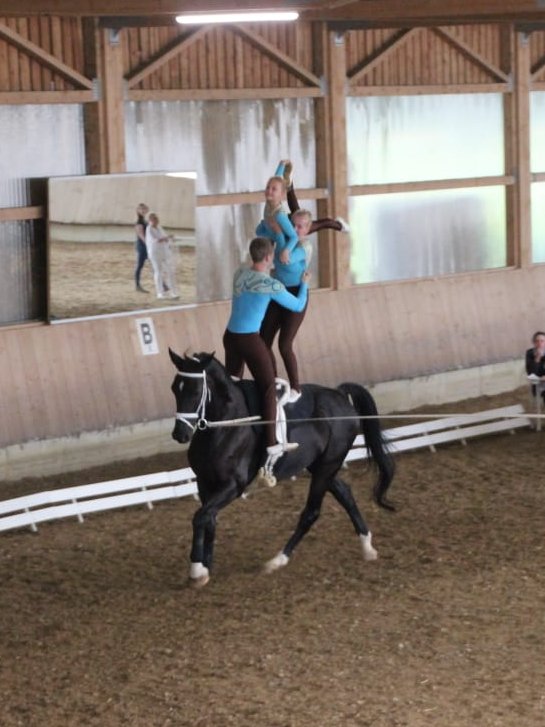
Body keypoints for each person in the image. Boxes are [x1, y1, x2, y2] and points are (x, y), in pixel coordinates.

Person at [223, 236, 310, 464]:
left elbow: (253, 284)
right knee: (268, 387)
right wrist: (305, 284)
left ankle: (225, 429)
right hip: (249, 340)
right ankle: (271, 442)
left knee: (232, 383)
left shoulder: (239, 273)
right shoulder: (271, 285)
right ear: (270, 257)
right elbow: (298, 305)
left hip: (230, 337)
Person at [259, 208, 313, 403]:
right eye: (294, 225)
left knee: (284, 344)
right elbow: (260, 230)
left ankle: (296, 388)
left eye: (300, 227)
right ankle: (272, 382)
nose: (296, 229)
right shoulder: (284, 237)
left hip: (297, 293)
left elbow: (285, 257)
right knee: (263, 340)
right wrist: (270, 222)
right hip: (278, 292)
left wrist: (280, 232)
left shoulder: (305, 246)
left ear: (307, 229)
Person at [278, 159, 350, 235]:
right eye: (296, 226)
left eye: (298, 226)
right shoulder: (297, 223)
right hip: (293, 221)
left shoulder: (301, 228)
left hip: (295, 223)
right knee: (293, 204)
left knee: (324, 223)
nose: (295, 228)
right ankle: (340, 226)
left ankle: (340, 226)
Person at [145, 212, 179, 300]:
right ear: (150, 221)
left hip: (164, 252)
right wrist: (167, 237)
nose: (156, 221)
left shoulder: (160, 227)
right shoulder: (149, 229)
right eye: (154, 219)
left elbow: (164, 238)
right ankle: (160, 293)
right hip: (154, 253)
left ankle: (173, 292)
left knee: (170, 271)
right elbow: (157, 240)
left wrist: (170, 239)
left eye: (157, 219)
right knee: (158, 272)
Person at [525, 330, 545, 402]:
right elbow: (531, 374)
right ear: (534, 343)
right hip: (539, 384)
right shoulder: (530, 353)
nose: (540, 343)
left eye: (542, 341)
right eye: (537, 341)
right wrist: (537, 358)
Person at [134, 202, 150, 292]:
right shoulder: (139, 222)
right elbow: (141, 235)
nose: (143, 210)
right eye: (141, 209)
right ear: (137, 211)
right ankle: (137, 285)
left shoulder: (145, 221)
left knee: (153, 264)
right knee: (140, 265)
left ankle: (163, 284)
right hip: (142, 247)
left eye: (144, 209)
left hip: (146, 246)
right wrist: (148, 244)